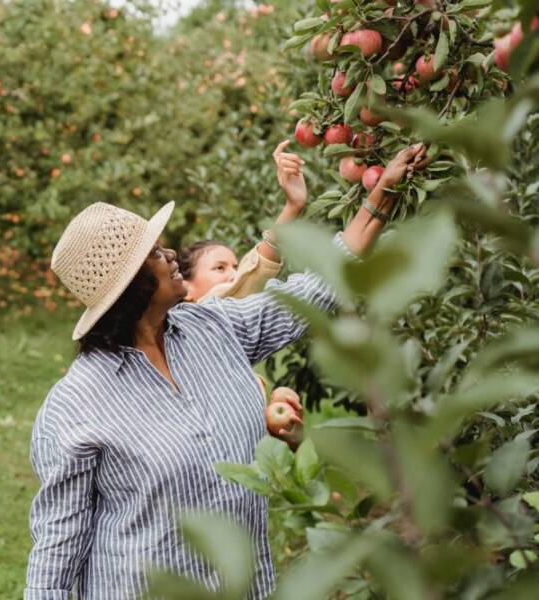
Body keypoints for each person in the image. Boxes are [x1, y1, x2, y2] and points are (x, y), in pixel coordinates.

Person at [25, 143, 427, 600]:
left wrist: (383, 197)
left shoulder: (214, 327)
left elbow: (316, 288)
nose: (172, 253)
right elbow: (58, 547)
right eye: (156, 253)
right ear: (133, 285)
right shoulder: (76, 405)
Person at [177, 141, 309, 438]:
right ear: (186, 289)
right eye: (219, 268)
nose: (233, 275)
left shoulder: (228, 339)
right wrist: (293, 207)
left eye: (234, 266)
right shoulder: (193, 324)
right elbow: (255, 271)